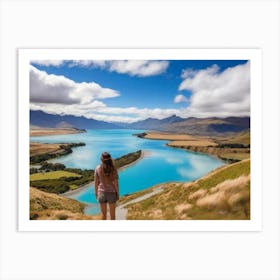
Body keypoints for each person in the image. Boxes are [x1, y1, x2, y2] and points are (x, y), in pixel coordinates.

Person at [94, 152, 119, 220]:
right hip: (112, 193)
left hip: (101, 193)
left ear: (101, 159)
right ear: (110, 158)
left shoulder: (97, 168)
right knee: (112, 216)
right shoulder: (113, 169)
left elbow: (96, 182)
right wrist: (117, 194)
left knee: (103, 215)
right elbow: (116, 183)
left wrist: (96, 193)